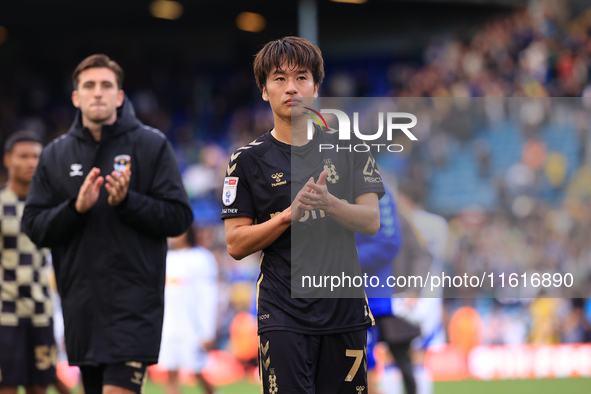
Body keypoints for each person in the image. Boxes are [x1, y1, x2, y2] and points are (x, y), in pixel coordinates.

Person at [222, 36, 384, 394]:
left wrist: (330, 204)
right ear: (264, 91)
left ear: (315, 87)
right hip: (282, 313)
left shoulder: (350, 147)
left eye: (301, 78)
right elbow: (235, 243)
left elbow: (372, 221)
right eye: (279, 79)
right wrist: (286, 216)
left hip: (344, 311)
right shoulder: (247, 159)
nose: (291, 88)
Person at [23, 54, 193, 394]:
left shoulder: (150, 144)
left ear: (119, 96)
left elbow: (179, 217)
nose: (97, 93)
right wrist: (75, 208)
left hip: (134, 307)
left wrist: (127, 202)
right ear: (76, 97)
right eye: (89, 86)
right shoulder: (54, 155)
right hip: (81, 310)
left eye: (106, 85)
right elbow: (34, 227)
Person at [0, 131, 55, 394]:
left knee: (40, 387)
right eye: (23, 156)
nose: (31, 162)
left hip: (41, 310)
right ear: (8, 160)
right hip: (5, 314)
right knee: (7, 387)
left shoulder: (50, 207)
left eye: (36, 156)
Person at [159, 225, 220, 394]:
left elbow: (208, 297)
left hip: (193, 328)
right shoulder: (165, 257)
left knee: (197, 372)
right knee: (170, 373)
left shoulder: (201, 258)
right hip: (168, 327)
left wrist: (208, 332)